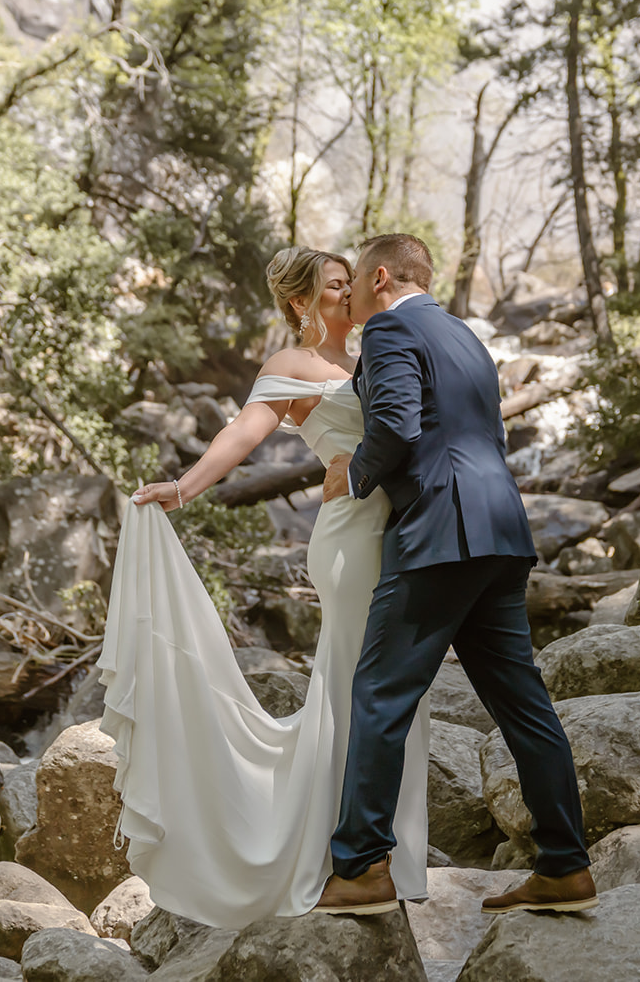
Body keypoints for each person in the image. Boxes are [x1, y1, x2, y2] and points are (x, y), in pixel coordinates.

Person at [102, 246, 429, 928]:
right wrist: (183, 489)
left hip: (401, 537)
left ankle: (383, 855)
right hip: (350, 542)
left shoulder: (377, 351)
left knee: (394, 689)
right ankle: (341, 854)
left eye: (349, 285)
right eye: (334, 287)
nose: (347, 295)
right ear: (300, 304)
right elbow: (242, 433)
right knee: (354, 690)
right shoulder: (291, 368)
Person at [312, 233, 598, 916]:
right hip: (501, 530)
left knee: (379, 693)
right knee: (523, 704)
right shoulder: (467, 337)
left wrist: (349, 475)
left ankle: (361, 866)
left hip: (440, 534)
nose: (349, 296)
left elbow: (399, 426)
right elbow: (482, 434)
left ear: (379, 278)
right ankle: (565, 864)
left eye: (354, 283)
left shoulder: (387, 330)